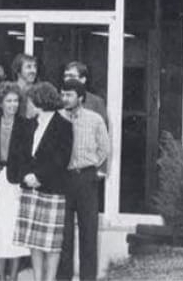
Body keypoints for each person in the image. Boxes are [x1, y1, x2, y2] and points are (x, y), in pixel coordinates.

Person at [13, 83, 73, 281]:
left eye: (30, 101)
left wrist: (39, 177)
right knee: (34, 238)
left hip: (52, 188)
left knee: (51, 241)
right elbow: (21, 154)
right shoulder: (28, 124)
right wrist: (26, 175)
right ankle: (38, 277)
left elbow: (61, 159)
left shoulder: (64, 126)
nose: (27, 105)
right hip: (30, 188)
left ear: (40, 102)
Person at [56, 79, 110, 281]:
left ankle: (88, 277)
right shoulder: (58, 118)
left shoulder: (95, 119)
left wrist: (92, 164)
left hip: (87, 179)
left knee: (89, 231)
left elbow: (105, 148)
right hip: (64, 179)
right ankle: (64, 277)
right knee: (64, 234)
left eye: (69, 95)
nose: (65, 98)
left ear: (80, 97)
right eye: (63, 94)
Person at [0, 83, 32, 281]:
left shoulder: (27, 125)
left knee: (12, 230)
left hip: (15, 182)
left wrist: (24, 184)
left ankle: (13, 276)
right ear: (0, 103)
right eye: (8, 100)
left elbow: (28, 157)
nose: (13, 104)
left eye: (16, 100)